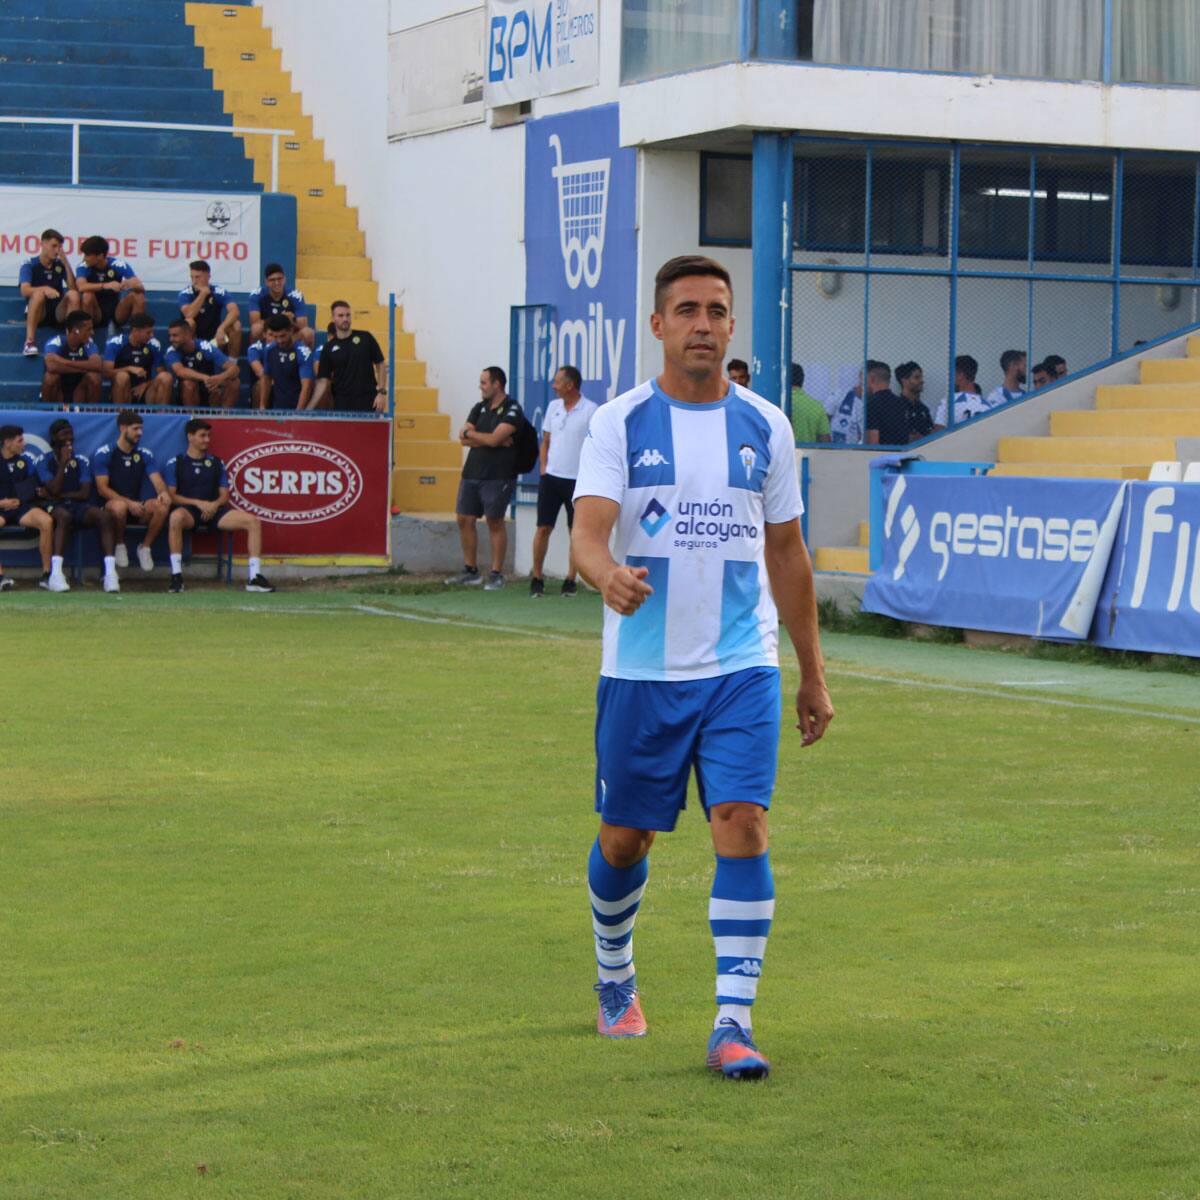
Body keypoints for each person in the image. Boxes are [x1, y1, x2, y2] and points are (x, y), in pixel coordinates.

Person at [571, 255, 833, 1079]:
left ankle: (732, 1025)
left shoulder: (766, 426)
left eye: (716, 311)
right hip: (643, 673)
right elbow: (587, 532)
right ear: (658, 325)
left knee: (743, 823)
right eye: (686, 310)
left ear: (731, 325)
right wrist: (605, 575)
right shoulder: (619, 423)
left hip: (741, 667)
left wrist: (811, 672)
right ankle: (615, 972)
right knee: (626, 839)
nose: (703, 325)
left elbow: (787, 553)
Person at [162, 418, 275, 594]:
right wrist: (199, 503)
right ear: (190, 437)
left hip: (215, 511)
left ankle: (254, 577)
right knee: (175, 518)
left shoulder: (216, 463)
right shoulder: (176, 462)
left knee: (253, 521)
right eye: (203, 436)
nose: (207, 439)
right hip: (190, 512)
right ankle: (176, 577)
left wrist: (213, 505)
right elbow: (172, 496)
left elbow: (224, 496)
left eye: (209, 436)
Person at [444, 366, 523, 590]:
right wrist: (485, 438)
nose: (480, 387)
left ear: (497, 384)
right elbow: (464, 438)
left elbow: (493, 439)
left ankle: (496, 573)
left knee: (494, 521)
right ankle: (470, 570)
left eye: (484, 382)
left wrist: (477, 436)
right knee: (464, 519)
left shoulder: (512, 409)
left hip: (498, 475)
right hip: (472, 472)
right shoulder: (479, 408)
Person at [530, 365, 596, 598]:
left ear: (570, 385)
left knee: (575, 531)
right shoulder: (553, 407)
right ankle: (537, 577)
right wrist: (544, 468)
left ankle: (570, 579)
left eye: (558, 382)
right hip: (551, 479)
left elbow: (595, 446)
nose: (553, 385)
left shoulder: (591, 410)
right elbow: (546, 441)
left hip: (577, 481)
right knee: (543, 528)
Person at [37, 419, 119, 593]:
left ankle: (110, 574)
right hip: (55, 506)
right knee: (63, 516)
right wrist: (62, 464)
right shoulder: (44, 461)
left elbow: (84, 493)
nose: (69, 438)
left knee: (104, 517)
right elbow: (54, 488)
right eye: (64, 434)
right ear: (54, 437)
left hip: (78, 505)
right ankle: (56, 574)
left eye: (71, 434)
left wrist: (57, 494)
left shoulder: (81, 460)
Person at [92, 410, 172, 573]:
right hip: (112, 506)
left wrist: (163, 492)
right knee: (120, 507)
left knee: (162, 506)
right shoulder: (104, 453)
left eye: (141, 429)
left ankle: (145, 547)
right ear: (123, 428)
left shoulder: (144, 454)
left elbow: (157, 480)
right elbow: (102, 489)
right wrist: (129, 503)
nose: (140, 433)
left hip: (137, 505)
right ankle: (119, 544)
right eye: (135, 429)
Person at [0, 425, 54, 589]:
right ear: (7, 443)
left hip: (20, 508)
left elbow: (32, 488)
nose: (24, 444)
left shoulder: (25, 462)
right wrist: (2, 503)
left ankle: (47, 575)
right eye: (20, 441)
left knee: (46, 522)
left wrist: (39, 492)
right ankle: (0, 577)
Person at [310, 301, 386, 412]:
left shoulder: (366, 337)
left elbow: (380, 363)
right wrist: (308, 409)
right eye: (340, 315)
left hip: (368, 401)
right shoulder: (328, 347)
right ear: (333, 318)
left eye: (348, 315)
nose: (345, 319)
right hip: (342, 404)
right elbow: (323, 381)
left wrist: (381, 392)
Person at [19, 228, 79, 356]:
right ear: (43, 244)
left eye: (60, 247)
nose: (57, 250)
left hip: (57, 311)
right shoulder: (30, 264)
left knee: (73, 295)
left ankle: (71, 343)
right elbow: (24, 290)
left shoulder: (59, 264)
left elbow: (73, 288)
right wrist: (44, 289)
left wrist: (66, 263)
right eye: (54, 246)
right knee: (38, 295)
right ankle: (29, 342)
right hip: (39, 312)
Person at [164, 318, 241, 408]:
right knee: (188, 384)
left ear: (187, 334)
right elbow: (180, 371)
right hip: (183, 394)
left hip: (208, 389)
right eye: (170, 335)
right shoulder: (172, 351)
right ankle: (192, 416)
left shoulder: (204, 346)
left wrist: (220, 378)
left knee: (234, 382)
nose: (171, 339)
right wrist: (206, 378)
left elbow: (234, 369)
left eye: (175, 335)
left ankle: (223, 415)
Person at [74, 236, 146, 332]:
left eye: (87, 255)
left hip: (117, 311)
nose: (84, 258)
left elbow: (140, 286)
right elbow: (81, 287)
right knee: (87, 295)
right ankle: (87, 332)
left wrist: (128, 283)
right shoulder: (83, 266)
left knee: (138, 296)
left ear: (100, 256)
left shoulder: (118, 264)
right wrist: (105, 285)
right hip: (96, 312)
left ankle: (137, 334)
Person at [103, 312, 172, 406]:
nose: (152, 335)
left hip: (145, 391)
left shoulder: (154, 344)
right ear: (135, 331)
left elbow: (161, 373)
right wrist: (128, 368)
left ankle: (162, 414)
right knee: (122, 376)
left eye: (152, 332)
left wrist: (146, 384)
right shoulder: (116, 343)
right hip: (122, 390)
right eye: (148, 332)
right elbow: (106, 372)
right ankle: (120, 412)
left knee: (166, 377)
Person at [178, 260, 242, 356]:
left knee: (236, 325)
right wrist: (203, 294)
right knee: (189, 322)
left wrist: (221, 328)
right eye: (192, 277)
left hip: (215, 336)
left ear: (208, 276)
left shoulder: (218, 291)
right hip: (194, 338)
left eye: (198, 277)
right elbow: (188, 314)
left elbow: (234, 311)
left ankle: (232, 362)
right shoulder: (185, 293)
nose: (194, 281)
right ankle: (190, 358)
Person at [42, 311, 102, 405]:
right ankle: (46, 411)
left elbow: (97, 365)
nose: (92, 332)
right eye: (88, 329)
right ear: (76, 330)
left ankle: (90, 412)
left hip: (79, 390)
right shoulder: (57, 342)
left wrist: (64, 362)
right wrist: (83, 369)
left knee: (95, 377)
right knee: (50, 377)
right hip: (59, 390)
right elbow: (51, 366)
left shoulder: (88, 343)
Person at [248, 263, 313, 348]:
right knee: (256, 329)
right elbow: (254, 321)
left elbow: (303, 324)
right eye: (272, 280)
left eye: (279, 279)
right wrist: (282, 318)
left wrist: (291, 321)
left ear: (284, 279)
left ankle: (303, 356)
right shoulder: (257, 294)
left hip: (288, 336)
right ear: (266, 282)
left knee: (307, 333)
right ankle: (257, 355)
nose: (276, 283)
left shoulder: (296, 295)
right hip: (269, 335)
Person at [260, 314, 315, 410]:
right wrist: (262, 406)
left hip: (298, 410)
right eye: (275, 337)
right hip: (277, 409)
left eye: (283, 336)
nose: (279, 341)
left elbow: (307, 386)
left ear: (291, 330)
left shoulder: (303, 353)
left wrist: (297, 413)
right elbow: (266, 378)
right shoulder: (269, 350)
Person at [933, 355, 989, 427]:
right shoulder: (987, 406)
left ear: (960, 375)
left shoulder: (949, 401)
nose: (949, 378)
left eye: (951, 374)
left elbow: (939, 430)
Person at [864, 361, 908, 445]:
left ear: (872, 379)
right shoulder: (901, 403)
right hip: (902, 451)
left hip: (882, 452)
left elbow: (873, 440)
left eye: (865, 379)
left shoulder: (872, 404)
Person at [789, 363, 831, 444]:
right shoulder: (817, 406)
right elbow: (825, 439)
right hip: (807, 451)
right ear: (802, 380)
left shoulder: (775, 404)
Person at [894, 361, 935, 442]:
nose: (922, 381)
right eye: (917, 377)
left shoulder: (923, 408)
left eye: (921, 377)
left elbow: (931, 432)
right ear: (904, 381)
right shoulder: (896, 407)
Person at [829, 369, 865, 444]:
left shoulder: (875, 402)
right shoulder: (840, 395)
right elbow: (825, 419)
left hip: (858, 449)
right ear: (860, 375)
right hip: (834, 447)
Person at [246, 327, 276, 409]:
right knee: (261, 384)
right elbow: (261, 373)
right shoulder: (255, 348)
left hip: (283, 385)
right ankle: (258, 414)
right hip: (266, 384)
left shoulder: (288, 348)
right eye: (271, 335)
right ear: (264, 334)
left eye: (276, 336)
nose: (274, 339)